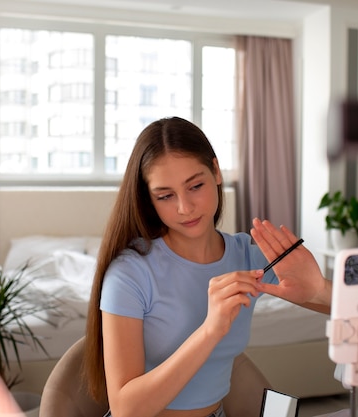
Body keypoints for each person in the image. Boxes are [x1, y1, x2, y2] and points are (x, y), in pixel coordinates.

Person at [83, 116, 331, 417]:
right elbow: (125, 409)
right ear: (148, 199)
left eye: (195, 186)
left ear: (215, 171)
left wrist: (318, 290)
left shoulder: (247, 258)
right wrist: (210, 330)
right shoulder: (130, 273)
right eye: (165, 196)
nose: (184, 208)